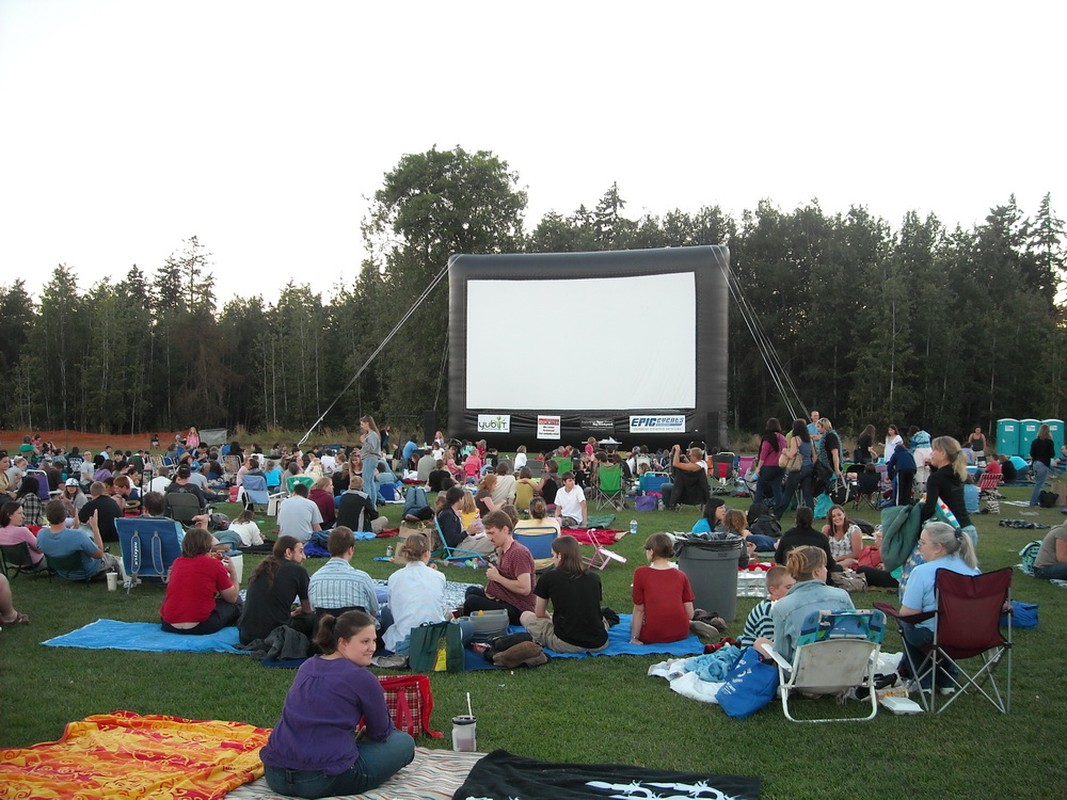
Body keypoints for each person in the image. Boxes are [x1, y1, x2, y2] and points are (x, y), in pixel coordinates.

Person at [260, 609, 416, 798]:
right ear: (342, 642)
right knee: (403, 742)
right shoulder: (362, 678)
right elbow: (381, 732)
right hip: (322, 779)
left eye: (374, 641)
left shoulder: (307, 666)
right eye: (365, 642)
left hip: (275, 774)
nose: (372, 648)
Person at [895, 522, 980, 692]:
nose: (919, 548)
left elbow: (908, 613)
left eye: (922, 543)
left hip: (935, 636)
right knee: (943, 626)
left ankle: (922, 681)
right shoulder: (973, 570)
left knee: (906, 623)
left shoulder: (922, 572)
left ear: (938, 548)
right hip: (972, 636)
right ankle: (947, 681)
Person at [755, 545, 853, 662]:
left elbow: (782, 655)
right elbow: (857, 634)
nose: (826, 570)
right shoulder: (842, 596)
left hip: (805, 675)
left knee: (760, 642)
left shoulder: (783, 607)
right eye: (824, 566)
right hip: (847, 668)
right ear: (817, 571)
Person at [520, 535, 609, 653]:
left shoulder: (549, 577)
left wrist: (551, 618)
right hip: (599, 642)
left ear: (560, 556)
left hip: (566, 643)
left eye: (553, 555)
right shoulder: (594, 578)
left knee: (525, 615)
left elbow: (539, 613)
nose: (553, 559)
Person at [159, 527, 241, 634]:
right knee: (236, 604)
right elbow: (232, 598)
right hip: (201, 625)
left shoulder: (177, 563)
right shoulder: (214, 564)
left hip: (169, 624)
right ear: (208, 546)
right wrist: (233, 573)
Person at [460, 509, 535, 624]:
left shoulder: (518, 553)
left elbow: (525, 588)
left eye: (492, 533)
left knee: (471, 602)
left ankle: (467, 626)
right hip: (507, 600)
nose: (489, 538)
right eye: (487, 533)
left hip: (519, 609)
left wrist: (497, 577)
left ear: (505, 530)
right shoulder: (504, 550)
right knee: (471, 591)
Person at [239, 535, 313, 645]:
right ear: (288, 552)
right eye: (301, 552)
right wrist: (301, 610)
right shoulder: (298, 570)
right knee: (315, 619)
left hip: (246, 634)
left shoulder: (262, 568)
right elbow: (308, 610)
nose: (304, 557)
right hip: (275, 634)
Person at [381, 533, 447, 655]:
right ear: (427, 553)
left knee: (385, 611)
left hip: (404, 638)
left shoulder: (394, 577)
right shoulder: (439, 576)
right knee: (467, 627)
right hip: (433, 638)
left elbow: (392, 608)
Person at [36, 500, 127, 583]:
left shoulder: (41, 535)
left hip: (63, 572)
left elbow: (61, 543)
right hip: (86, 571)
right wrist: (95, 528)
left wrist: (74, 528)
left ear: (47, 517)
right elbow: (99, 554)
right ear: (65, 514)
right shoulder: (78, 535)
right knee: (113, 558)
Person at [631, 532, 695, 644]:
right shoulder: (681, 575)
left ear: (651, 552)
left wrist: (635, 638)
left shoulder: (641, 573)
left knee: (634, 622)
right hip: (681, 633)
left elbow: (639, 610)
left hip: (652, 635)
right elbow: (690, 613)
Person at [309, 527, 379, 625]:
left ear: (329, 548)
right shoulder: (362, 579)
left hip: (325, 636)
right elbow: (373, 611)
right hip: (356, 635)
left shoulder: (315, 579)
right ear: (350, 550)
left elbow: (313, 610)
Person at [921, 436, 977, 546]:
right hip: (968, 528)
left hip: (953, 533)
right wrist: (933, 467)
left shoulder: (936, 478)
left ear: (943, 454)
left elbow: (929, 508)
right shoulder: (957, 473)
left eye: (934, 450)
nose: (931, 454)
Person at [738, 565, 795, 649]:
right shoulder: (768, 612)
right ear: (774, 590)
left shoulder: (780, 606)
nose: (793, 590)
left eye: (795, 586)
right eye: (788, 587)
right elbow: (770, 645)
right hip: (754, 656)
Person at [775, 506, 835, 580]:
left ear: (796, 520)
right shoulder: (821, 538)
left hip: (792, 575)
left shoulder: (787, 536)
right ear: (812, 520)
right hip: (815, 576)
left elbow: (778, 558)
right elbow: (829, 563)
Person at [437, 486, 495, 557]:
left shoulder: (450, 513)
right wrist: (467, 532)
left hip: (463, 544)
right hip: (458, 549)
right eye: (463, 498)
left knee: (489, 537)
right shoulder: (448, 516)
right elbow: (451, 541)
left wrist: (471, 532)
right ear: (459, 499)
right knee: (492, 540)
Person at [775, 419, 815, 518]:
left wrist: (784, 451)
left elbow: (792, 454)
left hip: (798, 469)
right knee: (807, 494)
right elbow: (814, 456)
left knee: (788, 493)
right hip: (808, 467)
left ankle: (777, 514)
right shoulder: (809, 439)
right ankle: (811, 515)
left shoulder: (795, 439)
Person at [752, 417, 786, 511]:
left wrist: (758, 468)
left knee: (760, 487)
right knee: (777, 488)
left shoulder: (768, 439)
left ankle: (756, 508)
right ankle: (779, 509)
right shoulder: (782, 438)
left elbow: (763, 455)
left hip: (768, 466)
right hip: (780, 466)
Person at [0, 501, 45, 566]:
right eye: (20, 513)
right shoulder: (22, 531)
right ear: (9, 515)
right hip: (35, 563)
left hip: (14, 564)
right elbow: (40, 548)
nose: (23, 516)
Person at [822, 504, 862, 569]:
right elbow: (822, 549)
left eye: (839, 515)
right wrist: (824, 533)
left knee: (846, 562)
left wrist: (837, 559)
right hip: (831, 562)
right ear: (831, 519)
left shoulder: (854, 530)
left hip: (848, 562)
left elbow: (857, 554)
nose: (837, 518)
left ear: (844, 515)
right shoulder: (828, 530)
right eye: (833, 516)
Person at [360, 416, 383, 511]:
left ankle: (368, 504)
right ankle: (373, 505)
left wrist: (363, 441)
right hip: (370, 458)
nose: (361, 426)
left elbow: (372, 448)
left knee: (366, 483)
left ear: (367, 423)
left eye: (362, 424)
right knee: (370, 482)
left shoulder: (372, 435)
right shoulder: (370, 434)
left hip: (370, 459)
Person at [1029, 423, 1055, 507]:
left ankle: (1036, 501)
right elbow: (1052, 454)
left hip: (1035, 463)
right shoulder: (1049, 442)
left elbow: (1032, 453)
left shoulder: (1035, 441)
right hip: (1043, 463)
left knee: (1038, 483)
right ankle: (1033, 502)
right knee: (1039, 484)